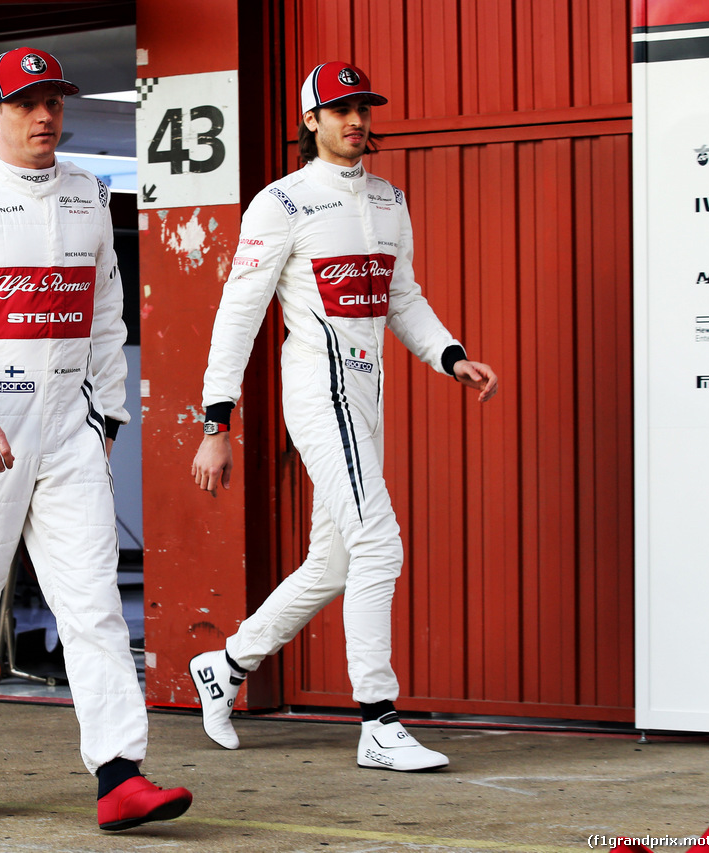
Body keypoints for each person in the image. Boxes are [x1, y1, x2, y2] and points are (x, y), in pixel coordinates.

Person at [0, 46, 192, 830]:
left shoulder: (92, 193)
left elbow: (106, 321)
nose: (45, 115)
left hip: (68, 436)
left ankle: (120, 773)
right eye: (26, 103)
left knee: (91, 605)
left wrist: (105, 420)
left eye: (53, 100)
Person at [188, 61, 499, 772]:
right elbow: (239, 313)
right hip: (316, 387)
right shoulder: (283, 203)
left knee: (333, 562)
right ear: (310, 121)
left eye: (362, 108)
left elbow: (401, 296)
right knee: (379, 542)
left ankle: (227, 663)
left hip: (368, 390)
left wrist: (450, 356)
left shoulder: (389, 199)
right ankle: (378, 720)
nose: (355, 120)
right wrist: (216, 420)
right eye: (340, 109)